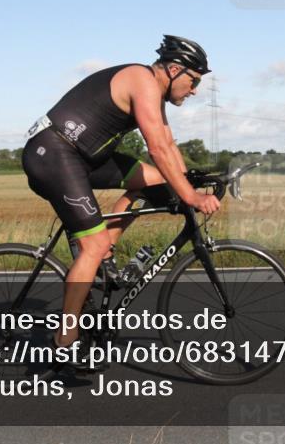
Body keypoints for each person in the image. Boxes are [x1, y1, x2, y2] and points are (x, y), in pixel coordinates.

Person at [21, 35, 221, 354]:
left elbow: (168, 146)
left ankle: (106, 251)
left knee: (158, 181)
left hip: (85, 157)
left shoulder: (153, 92)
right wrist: (192, 197)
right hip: (54, 153)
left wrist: (188, 183)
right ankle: (66, 339)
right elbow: (155, 147)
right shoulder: (141, 80)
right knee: (93, 244)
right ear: (173, 69)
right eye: (193, 80)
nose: (195, 90)